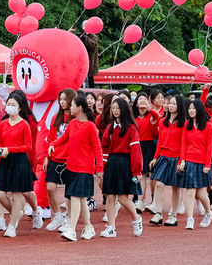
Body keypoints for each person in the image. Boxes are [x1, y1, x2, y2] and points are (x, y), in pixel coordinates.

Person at [48, 95, 104, 242]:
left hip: (85, 168)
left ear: (79, 107)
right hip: (71, 167)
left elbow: (97, 148)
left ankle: (72, 230)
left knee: (75, 197)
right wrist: (53, 144)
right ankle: (89, 227)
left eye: (72, 105)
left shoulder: (91, 126)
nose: (69, 107)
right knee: (80, 200)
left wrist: (99, 167)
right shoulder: (72, 123)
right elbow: (64, 138)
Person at [0, 92, 42, 238]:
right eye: (8, 104)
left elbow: (28, 146)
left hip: (20, 161)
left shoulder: (24, 124)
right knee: (0, 195)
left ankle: (12, 225)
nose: (10, 107)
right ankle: (17, 213)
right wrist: (0, 150)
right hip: (5, 160)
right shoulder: (3, 123)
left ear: (20, 108)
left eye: (13, 105)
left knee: (16, 195)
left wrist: (10, 149)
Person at [99, 98, 144, 238]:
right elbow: (104, 147)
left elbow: (136, 150)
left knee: (124, 198)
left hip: (125, 164)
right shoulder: (110, 128)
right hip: (112, 163)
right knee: (110, 197)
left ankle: (136, 219)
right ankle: (111, 227)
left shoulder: (131, 128)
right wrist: (103, 164)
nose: (115, 110)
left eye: (117, 108)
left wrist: (137, 170)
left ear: (123, 109)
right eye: (113, 107)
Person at [148, 95, 185, 227]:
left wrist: (182, 160)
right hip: (163, 156)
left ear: (179, 106)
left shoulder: (184, 124)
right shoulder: (162, 121)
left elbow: (184, 143)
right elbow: (160, 142)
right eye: (169, 103)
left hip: (177, 157)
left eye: (174, 104)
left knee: (176, 187)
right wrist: (155, 157)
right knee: (159, 184)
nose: (171, 106)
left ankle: (173, 215)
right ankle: (158, 213)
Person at [177, 99, 212, 230]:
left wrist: (207, 164)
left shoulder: (208, 126)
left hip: (202, 162)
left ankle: (208, 213)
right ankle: (190, 219)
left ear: (199, 109)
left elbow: (209, 146)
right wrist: (182, 160)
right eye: (189, 108)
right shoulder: (187, 124)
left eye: (193, 108)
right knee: (190, 191)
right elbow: (183, 143)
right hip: (189, 161)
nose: (191, 110)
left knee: (201, 194)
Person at [43, 88, 76, 231]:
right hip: (55, 157)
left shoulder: (76, 119)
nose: (62, 102)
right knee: (50, 187)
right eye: (60, 99)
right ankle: (57, 216)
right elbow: (50, 139)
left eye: (64, 99)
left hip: (71, 159)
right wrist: (46, 156)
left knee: (69, 193)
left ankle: (69, 219)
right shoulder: (55, 118)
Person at [79, 22, 99, 90]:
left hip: (91, 62)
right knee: (81, 77)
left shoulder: (94, 37)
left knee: (90, 79)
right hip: (82, 61)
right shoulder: (81, 35)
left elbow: (93, 46)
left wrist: (86, 38)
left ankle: (91, 90)